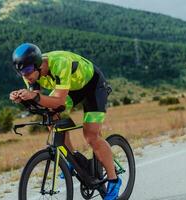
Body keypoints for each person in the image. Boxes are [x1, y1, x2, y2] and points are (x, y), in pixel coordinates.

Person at [9, 43, 121, 199]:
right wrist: (22, 98)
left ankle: (113, 179)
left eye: (27, 70)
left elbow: (59, 102)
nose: (25, 75)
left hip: (93, 87)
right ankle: (72, 157)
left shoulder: (60, 63)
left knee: (91, 135)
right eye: (20, 72)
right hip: (71, 90)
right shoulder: (30, 74)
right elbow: (38, 100)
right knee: (49, 115)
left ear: (38, 64)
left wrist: (34, 96)